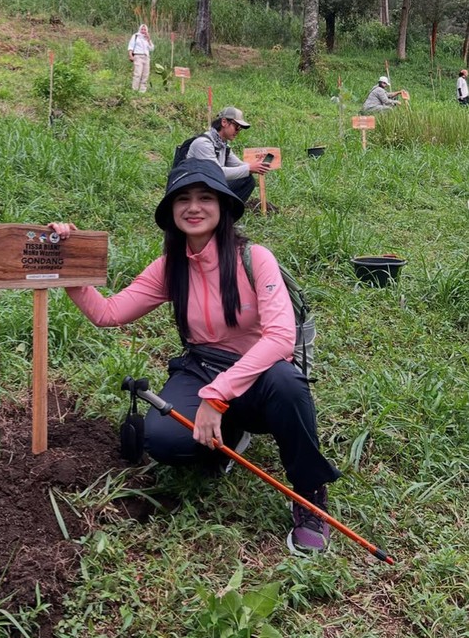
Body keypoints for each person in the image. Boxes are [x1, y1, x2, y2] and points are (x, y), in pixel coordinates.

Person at [49, 158, 340, 555]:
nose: (194, 206)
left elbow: (280, 338)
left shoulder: (255, 258)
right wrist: (73, 262)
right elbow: (108, 313)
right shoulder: (170, 268)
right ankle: (229, 438)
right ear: (171, 211)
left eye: (206, 197)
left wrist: (216, 396)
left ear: (223, 207)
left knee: (288, 385)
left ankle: (309, 495)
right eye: (182, 198)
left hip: (260, 369)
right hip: (201, 365)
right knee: (164, 441)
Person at [186, 106, 270, 206]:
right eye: (237, 127)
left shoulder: (222, 144)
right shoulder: (203, 144)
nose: (238, 132)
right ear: (224, 122)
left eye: (240, 129)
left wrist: (256, 166)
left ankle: (226, 216)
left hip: (209, 186)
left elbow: (239, 165)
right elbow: (215, 173)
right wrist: (250, 168)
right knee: (246, 176)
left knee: (247, 180)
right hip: (194, 190)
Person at [128, 23, 154, 93]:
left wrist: (148, 39)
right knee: (138, 73)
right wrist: (130, 55)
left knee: (145, 74)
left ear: (147, 30)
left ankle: (142, 90)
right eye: (142, 29)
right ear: (140, 29)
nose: (143, 30)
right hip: (138, 56)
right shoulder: (136, 36)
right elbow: (131, 46)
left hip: (146, 57)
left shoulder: (147, 38)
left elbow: (151, 48)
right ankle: (134, 89)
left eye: (144, 29)